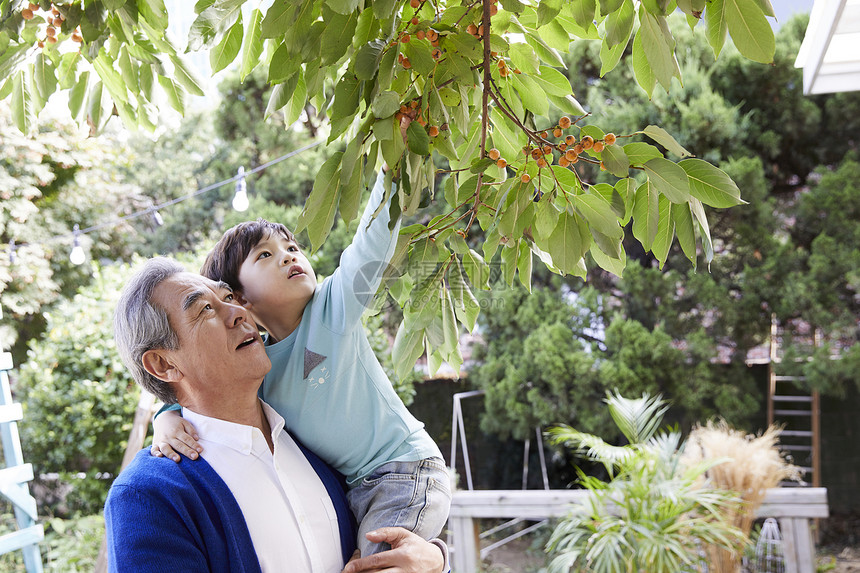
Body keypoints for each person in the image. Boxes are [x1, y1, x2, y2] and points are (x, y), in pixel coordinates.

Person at [152, 166, 452, 556]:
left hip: (405, 471)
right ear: (240, 299)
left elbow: (370, 248)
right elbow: (199, 385)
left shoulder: (332, 308)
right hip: (354, 489)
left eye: (291, 248)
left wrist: (390, 174)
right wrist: (166, 418)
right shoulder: (253, 364)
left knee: (383, 564)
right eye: (265, 255)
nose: (288, 257)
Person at [106, 257, 447, 573]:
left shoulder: (320, 450)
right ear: (163, 364)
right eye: (206, 309)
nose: (238, 313)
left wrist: (434, 563)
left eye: (230, 297)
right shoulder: (146, 497)